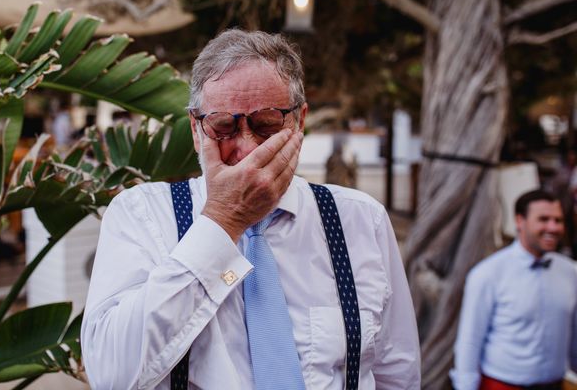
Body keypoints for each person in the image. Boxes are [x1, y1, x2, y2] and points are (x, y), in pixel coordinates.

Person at [81, 29, 420, 389]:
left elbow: (396, 373)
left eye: (267, 123)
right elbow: (111, 374)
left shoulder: (359, 219)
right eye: (224, 126)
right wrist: (224, 221)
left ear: (299, 121)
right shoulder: (141, 215)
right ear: (196, 130)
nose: (247, 148)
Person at [451, 189, 577, 390]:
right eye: (543, 219)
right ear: (520, 221)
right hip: (502, 385)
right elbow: (469, 341)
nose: (553, 227)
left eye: (558, 220)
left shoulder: (570, 272)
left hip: (555, 385)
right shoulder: (488, 273)